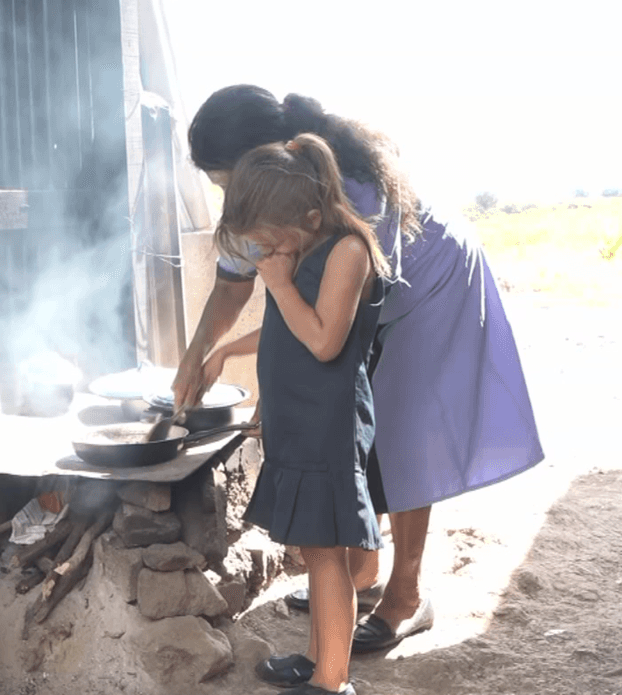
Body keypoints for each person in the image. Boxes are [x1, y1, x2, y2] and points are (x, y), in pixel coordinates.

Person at [176, 86, 543, 655]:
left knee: (402, 431)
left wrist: (263, 369)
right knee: (356, 426)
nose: (227, 196)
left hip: (429, 276)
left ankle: (406, 596)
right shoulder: (266, 191)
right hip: (366, 290)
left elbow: (326, 330)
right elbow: (232, 281)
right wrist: (194, 357)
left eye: (226, 180)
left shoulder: (345, 198)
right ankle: (359, 575)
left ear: (264, 155)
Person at [210, 132, 388, 695]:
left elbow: (321, 338)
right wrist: (229, 349)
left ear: (310, 216)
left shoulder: (347, 252)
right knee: (313, 549)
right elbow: (289, 327)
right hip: (298, 419)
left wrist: (279, 284)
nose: (262, 254)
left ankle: (334, 687)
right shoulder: (301, 250)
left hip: (327, 425)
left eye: (267, 242)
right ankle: (318, 660)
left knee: (327, 552)